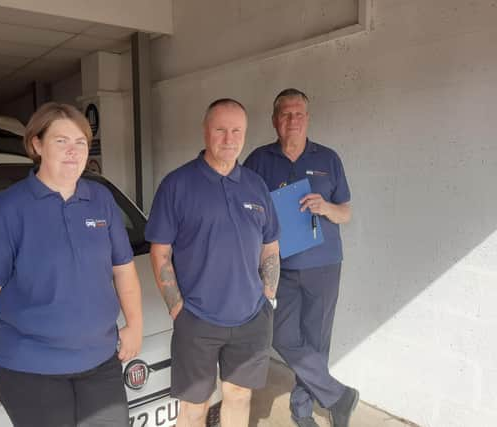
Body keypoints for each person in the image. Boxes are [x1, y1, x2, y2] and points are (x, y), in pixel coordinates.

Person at [0, 102, 143, 427]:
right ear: (37, 144)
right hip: (31, 369)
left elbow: (124, 268)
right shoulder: (8, 208)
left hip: (100, 360)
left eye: (81, 143)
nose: (73, 152)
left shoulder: (99, 199)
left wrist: (135, 323)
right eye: (61, 141)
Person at [145, 99, 281, 427]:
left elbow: (270, 244)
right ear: (205, 132)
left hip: (250, 317)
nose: (229, 138)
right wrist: (178, 308)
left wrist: (268, 296)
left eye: (237, 131)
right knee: (194, 406)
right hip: (198, 320)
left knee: (238, 396)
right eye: (220, 129)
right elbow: (160, 250)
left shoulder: (255, 185)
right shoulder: (177, 185)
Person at [243, 88, 357, 427]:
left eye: (299, 114)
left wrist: (327, 207)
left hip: (324, 265)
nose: (293, 120)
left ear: (307, 119)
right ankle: (338, 396)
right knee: (281, 337)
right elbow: (246, 211)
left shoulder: (328, 159)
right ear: (275, 120)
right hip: (281, 267)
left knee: (317, 339)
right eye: (286, 114)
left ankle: (302, 409)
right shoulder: (258, 161)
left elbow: (346, 213)